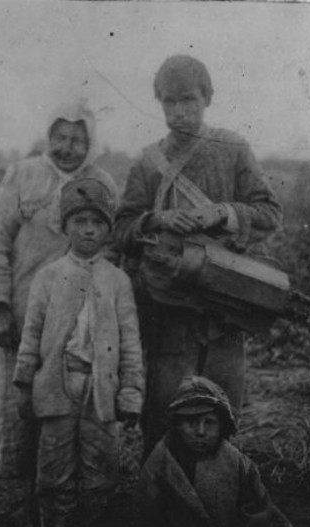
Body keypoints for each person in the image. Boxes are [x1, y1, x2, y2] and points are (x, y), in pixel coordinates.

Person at [115, 55, 283, 456]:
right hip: (168, 316)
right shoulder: (147, 162)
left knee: (221, 423)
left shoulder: (233, 149)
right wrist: (157, 220)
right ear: (159, 103)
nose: (179, 111)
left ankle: (216, 507)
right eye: (169, 102)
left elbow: (270, 213)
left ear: (207, 98)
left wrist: (223, 212)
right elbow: (121, 228)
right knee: (164, 421)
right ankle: (162, 509)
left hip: (225, 311)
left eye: (188, 100)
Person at [0, 100, 118, 527]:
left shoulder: (101, 182)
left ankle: (67, 511)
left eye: (78, 139)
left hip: (80, 327)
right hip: (22, 319)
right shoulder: (22, 175)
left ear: (90, 142)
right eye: (59, 136)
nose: (67, 147)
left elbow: (112, 251)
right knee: (21, 407)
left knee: (70, 412)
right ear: (48, 135)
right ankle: (20, 507)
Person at [12, 177, 144, 527]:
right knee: (54, 479)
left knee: (100, 479)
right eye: (80, 222)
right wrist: (24, 383)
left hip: (101, 395)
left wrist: (130, 393)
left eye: (97, 223)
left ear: (108, 229)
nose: (89, 230)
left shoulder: (117, 281)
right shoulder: (48, 278)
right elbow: (31, 336)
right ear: (65, 225)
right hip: (56, 389)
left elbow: (130, 344)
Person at [137, 375, 294, 527]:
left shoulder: (238, 464)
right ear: (177, 425)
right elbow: (146, 523)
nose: (200, 431)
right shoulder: (158, 465)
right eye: (191, 422)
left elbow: (261, 515)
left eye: (210, 423)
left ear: (222, 427)